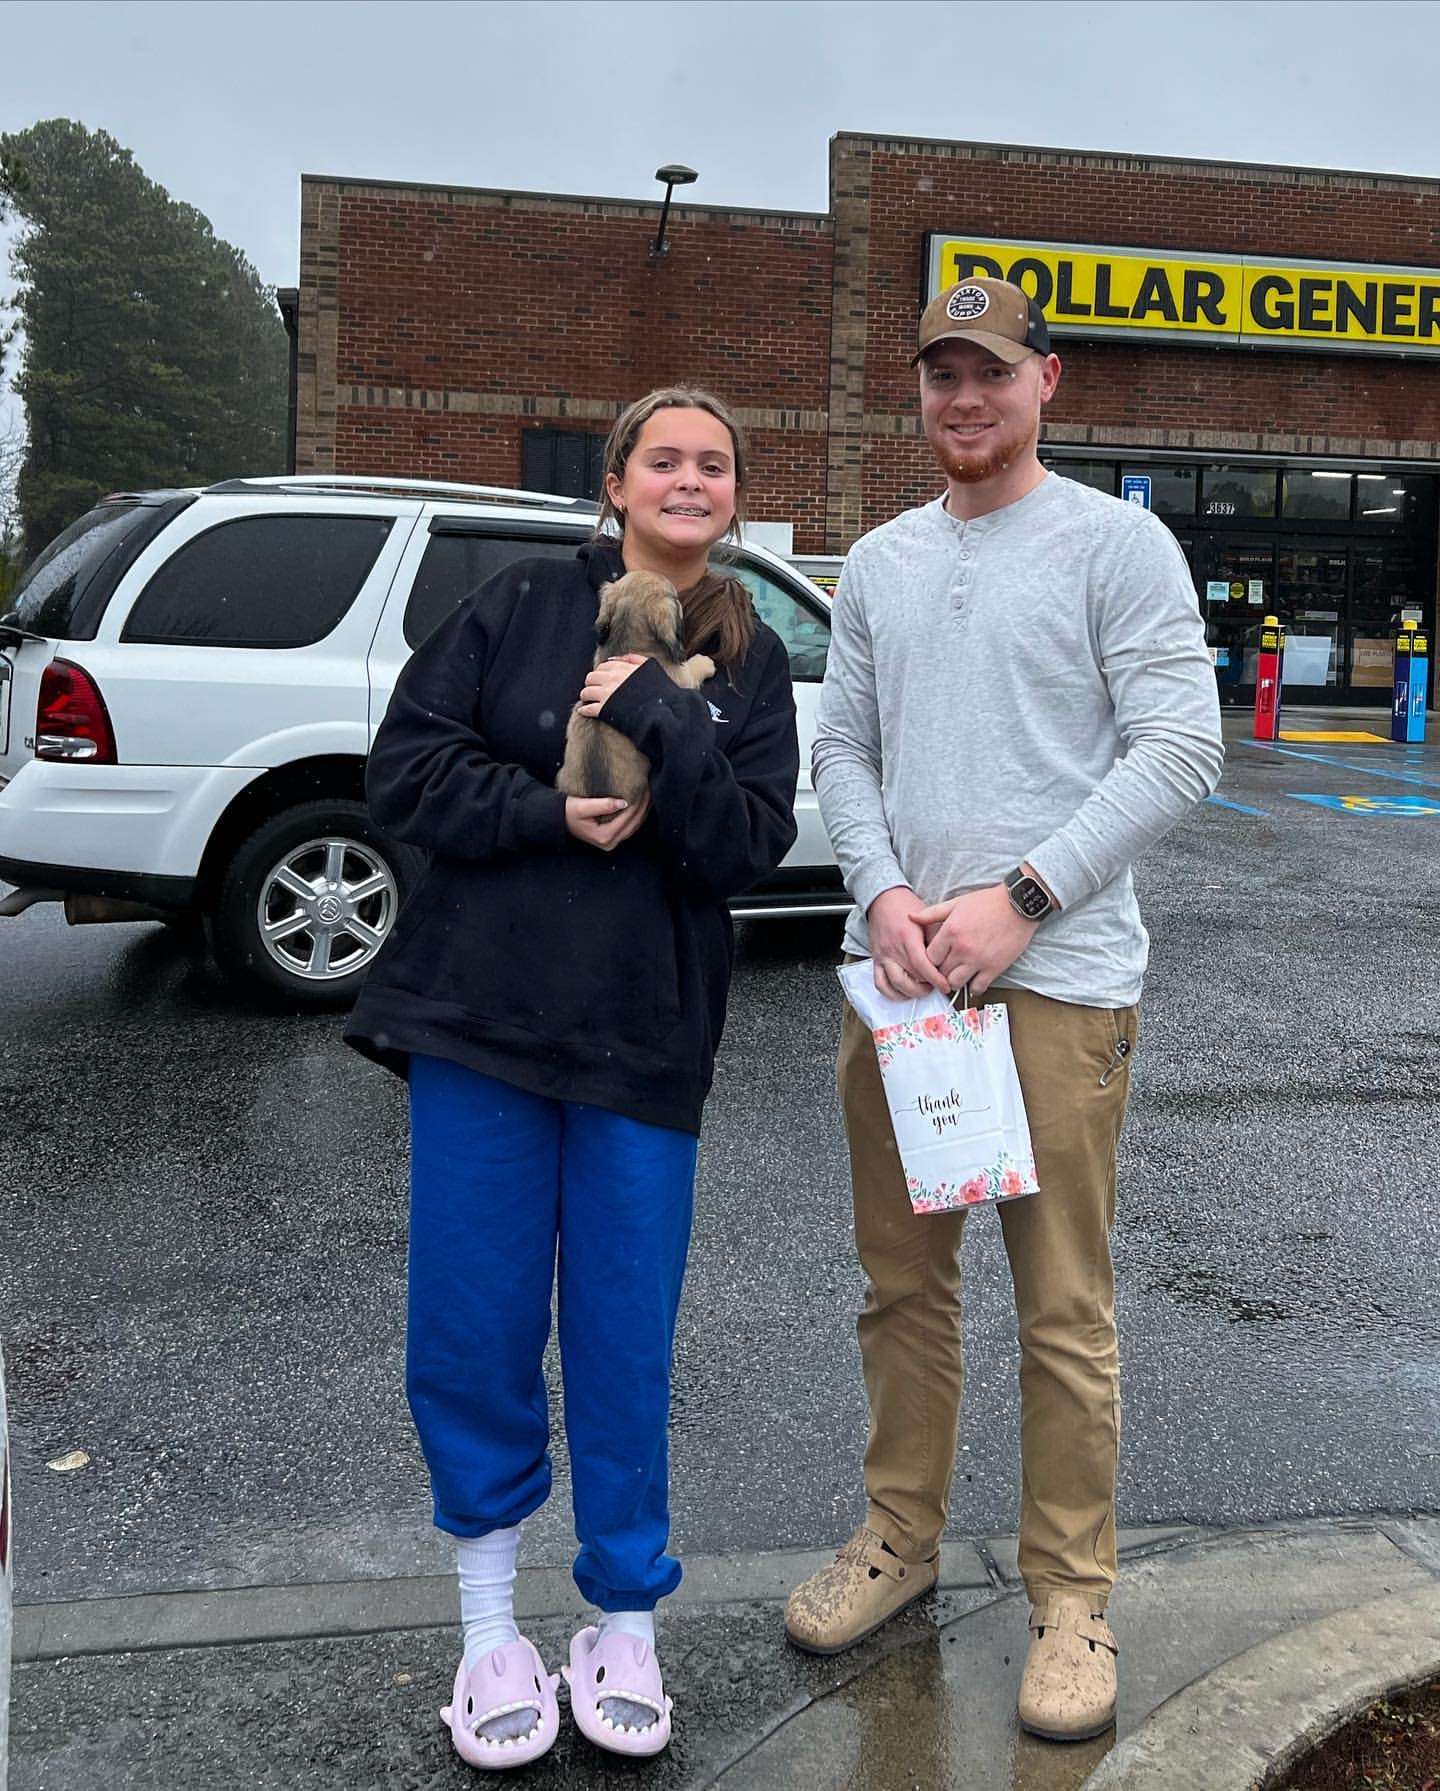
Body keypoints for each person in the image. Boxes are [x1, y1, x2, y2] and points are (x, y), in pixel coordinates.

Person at [785, 277, 1223, 1742]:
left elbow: (1179, 749)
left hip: (1056, 990)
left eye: (991, 373)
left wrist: (1020, 898)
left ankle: (1072, 1602)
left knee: (1064, 1309)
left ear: (1049, 380)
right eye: (939, 377)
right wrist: (887, 890)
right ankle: (898, 1541)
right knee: (901, 1290)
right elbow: (842, 743)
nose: (963, 401)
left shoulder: (1117, 546)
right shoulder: (885, 564)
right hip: (907, 991)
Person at [345, 387, 799, 1769]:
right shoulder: (519, 609)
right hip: (482, 1023)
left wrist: (665, 711)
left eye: (713, 464)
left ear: (732, 496)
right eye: (664, 457)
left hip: (642, 1044)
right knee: (473, 1330)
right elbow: (407, 776)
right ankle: (490, 1632)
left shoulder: (752, 652)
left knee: (620, 1341)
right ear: (614, 484)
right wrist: (546, 812)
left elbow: (744, 850)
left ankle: (622, 1624)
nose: (689, 479)